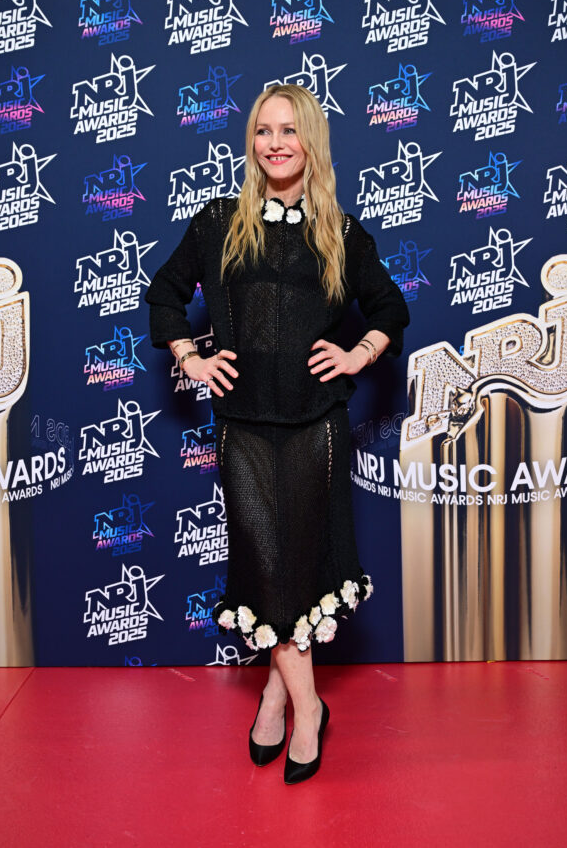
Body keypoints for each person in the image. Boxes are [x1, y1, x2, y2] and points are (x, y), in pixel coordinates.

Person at [145, 84, 409, 785]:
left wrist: (359, 353)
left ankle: (278, 700)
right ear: (251, 143)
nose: (275, 143)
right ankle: (306, 704)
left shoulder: (341, 233)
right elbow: (164, 293)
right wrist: (189, 357)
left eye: (288, 130)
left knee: (293, 568)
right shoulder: (217, 223)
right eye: (263, 131)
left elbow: (389, 306)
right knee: (265, 566)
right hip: (242, 428)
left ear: (310, 140)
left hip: (316, 425)